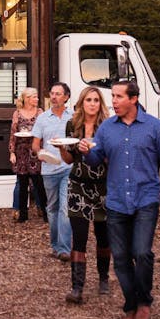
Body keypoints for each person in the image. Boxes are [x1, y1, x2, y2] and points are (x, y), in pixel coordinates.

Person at [78, 81, 160, 319]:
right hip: (116, 201)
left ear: (133, 99)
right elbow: (97, 160)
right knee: (121, 258)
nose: (113, 101)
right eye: (112, 96)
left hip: (145, 198)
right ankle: (131, 305)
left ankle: (144, 303)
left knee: (142, 253)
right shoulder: (107, 130)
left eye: (119, 96)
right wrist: (85, 151)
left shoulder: (154, 127)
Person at [61, 86, 112, 303]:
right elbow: (69, 160)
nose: (92, 104)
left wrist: (92, 152)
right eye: (88, 100)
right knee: (79, 238)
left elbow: (113, 160)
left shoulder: (108, 128)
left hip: (102, 187)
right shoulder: (73, 125)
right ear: (81, 103)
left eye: (96, 100)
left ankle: (103, 278)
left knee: (103, 237)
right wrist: (61, 148)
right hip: (78, 186)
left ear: (100, 104)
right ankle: (77, 288)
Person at [31, 83, 74, 261]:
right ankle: (55, 246)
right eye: (52, 93)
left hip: (68, 167)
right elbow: (35, 143)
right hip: (49, 169)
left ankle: (64, 249)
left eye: (58, 94)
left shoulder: (73, 117)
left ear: (66, 97)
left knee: (65, 208)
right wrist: (39, 152)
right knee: (53, 208)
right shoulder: (42, 118)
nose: (54, 97)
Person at [8, 87, 47, 224]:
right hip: (21, 151)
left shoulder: (40, 112)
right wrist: (12, 152)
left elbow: (44, 130)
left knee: (39, 183)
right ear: (27, 98)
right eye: (34, 97)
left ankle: (46, 213)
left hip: (35, 151)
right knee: (22, 183)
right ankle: (23, 214)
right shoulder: (17, 114)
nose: (37, 99)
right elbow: (13, 134)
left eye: (37, 96)